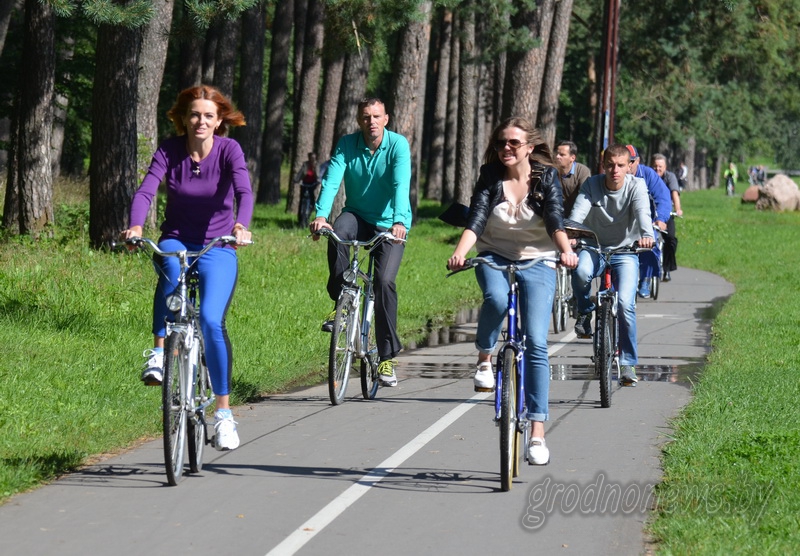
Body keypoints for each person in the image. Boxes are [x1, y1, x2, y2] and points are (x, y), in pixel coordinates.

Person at [121, 85, 254, 451]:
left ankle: (223, 415)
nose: (201, 121)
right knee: (169, 264)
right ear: (183, 117)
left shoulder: (229, 150)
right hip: (178, 240)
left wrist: (240, 226)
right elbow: (146, 190)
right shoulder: (169, 150)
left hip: (218, 246)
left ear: (219, 120)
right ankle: (159, 352)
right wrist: (136, 226)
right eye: (194, 114)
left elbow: (244, 192)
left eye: (209, 115)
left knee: (211, 320)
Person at [447, 117, 578, 465]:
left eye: (514, 143)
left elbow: (554, 218)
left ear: (529, 148)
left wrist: (566, 251)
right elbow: (477, 219)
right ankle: (485, 357)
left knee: (536, 342)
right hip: (493, 253)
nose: (506, 148)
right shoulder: (490, 176)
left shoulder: (546, 177)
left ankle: (537, 432)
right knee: (495, 298)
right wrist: (459, 253)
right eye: (502, 142)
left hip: (539, 259)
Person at [309, 97, 411, 387]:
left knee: (384, 282)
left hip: (390, 222)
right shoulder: (347, 144)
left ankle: (387, 357)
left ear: (386, 119)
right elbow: (331, 181)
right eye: (366, 117)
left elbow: (400, 184)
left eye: (377, 116)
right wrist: (321, 216)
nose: (371, 122)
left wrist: (399, 221)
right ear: (359, 120)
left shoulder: (398, 145)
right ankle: (341, 301)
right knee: (337, 231)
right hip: (356, 215)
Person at [568, 143, 655, 387]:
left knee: (626, 304)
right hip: (594, 248)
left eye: (620, 165)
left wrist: (647, 235)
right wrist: (571, 233)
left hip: (626, 252)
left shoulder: (637, 185)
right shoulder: (591, 185)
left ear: (629, 166)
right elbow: (578, 213)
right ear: (603, 166)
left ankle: (627, 363)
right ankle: (585, 311)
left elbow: (643, 212)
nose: (615, 170)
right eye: (610, 165)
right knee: (581, 271)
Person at [626, 145, 672, 298]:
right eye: (625, 161)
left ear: (637, 161)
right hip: (621, 223)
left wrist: (661, 219)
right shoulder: (615, 174)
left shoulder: (648, 174)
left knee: (650, 245)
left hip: (645, 222)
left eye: (631, 161)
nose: (628, 165)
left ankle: (645, 278)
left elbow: (663, 197)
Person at [651, 153, 683, 281]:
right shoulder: (648, 177)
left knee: (671, 239)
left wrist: (678, 209)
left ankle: (667, 269)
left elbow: (674, 193)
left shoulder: (670, 177)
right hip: (650, 213)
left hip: (665, 213)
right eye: (655, 166)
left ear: (665, 167)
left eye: (660, 166)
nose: (657, 169)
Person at [554, 140, 592, 215]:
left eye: (562, 155)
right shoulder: (552, 171)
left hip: (578, 214)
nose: (557, 157)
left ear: (572, 158)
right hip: (556, 214)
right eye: (557, 154)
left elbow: (584, 197)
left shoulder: (582, 171)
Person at [295, 152, 321, 226]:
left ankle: (307, 216)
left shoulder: (316, 165)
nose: (312, 159)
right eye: (311, 157)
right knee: (302, 201)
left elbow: (318, 175)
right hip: (304, 185)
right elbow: (300, 173)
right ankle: (301, 218)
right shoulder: (305, 164)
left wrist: (318, 181)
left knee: (312, 203)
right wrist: (296, 180)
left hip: (312, 185)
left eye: (313, 158)